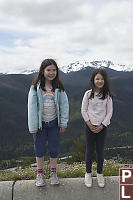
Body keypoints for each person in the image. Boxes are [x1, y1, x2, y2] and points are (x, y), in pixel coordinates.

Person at [28, 58, 69, 187]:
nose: (51, 73)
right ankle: (39, 174)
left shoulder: (58, 87)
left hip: (54, 124)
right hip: (40, 125)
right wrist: (33, 126)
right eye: (48, 70)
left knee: (54, 149)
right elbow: (32, 108)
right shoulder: (35, 87)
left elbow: (64, 105)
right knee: (39, 149)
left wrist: (63, 123)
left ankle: (53, 173)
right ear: (42, 71)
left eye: (54, 70)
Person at [81, 68, 113, 188]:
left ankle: (99, 173)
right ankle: (88, 173)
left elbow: (109, 112)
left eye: (102, 79)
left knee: (100, 151)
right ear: (93, 80)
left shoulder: (107, 96)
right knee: (89, 150)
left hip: (102, 127)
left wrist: (102, 125)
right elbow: (83, 110)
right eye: (97, 78)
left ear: (105, 81)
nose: (99, 81)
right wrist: (89, 123)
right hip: (89, 126)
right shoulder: (88, 94)